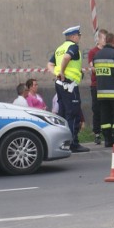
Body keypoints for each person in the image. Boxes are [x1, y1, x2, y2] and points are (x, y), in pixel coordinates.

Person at [47, 25, 89, 153]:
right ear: (73, 36)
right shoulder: (73, 47)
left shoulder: (59, 48)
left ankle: (63, 142)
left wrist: (56, 73)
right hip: (69, 85)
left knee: (63, 113)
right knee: (73, 113)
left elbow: (49, 64)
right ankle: (73, 143)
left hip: (60, 84)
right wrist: (63, 72)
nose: (80, 38)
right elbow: (66, 58)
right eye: (79, 35)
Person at [88, 29, 108, 145]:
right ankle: (97, 133)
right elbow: (93, 68)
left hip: (107, 84)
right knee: (96, 110)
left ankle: (107, 133)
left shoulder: (108, 51)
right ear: (99, 39)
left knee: (106, 109)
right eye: (104, 39)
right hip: (96, 85)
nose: (105, 41)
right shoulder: (92, 52)